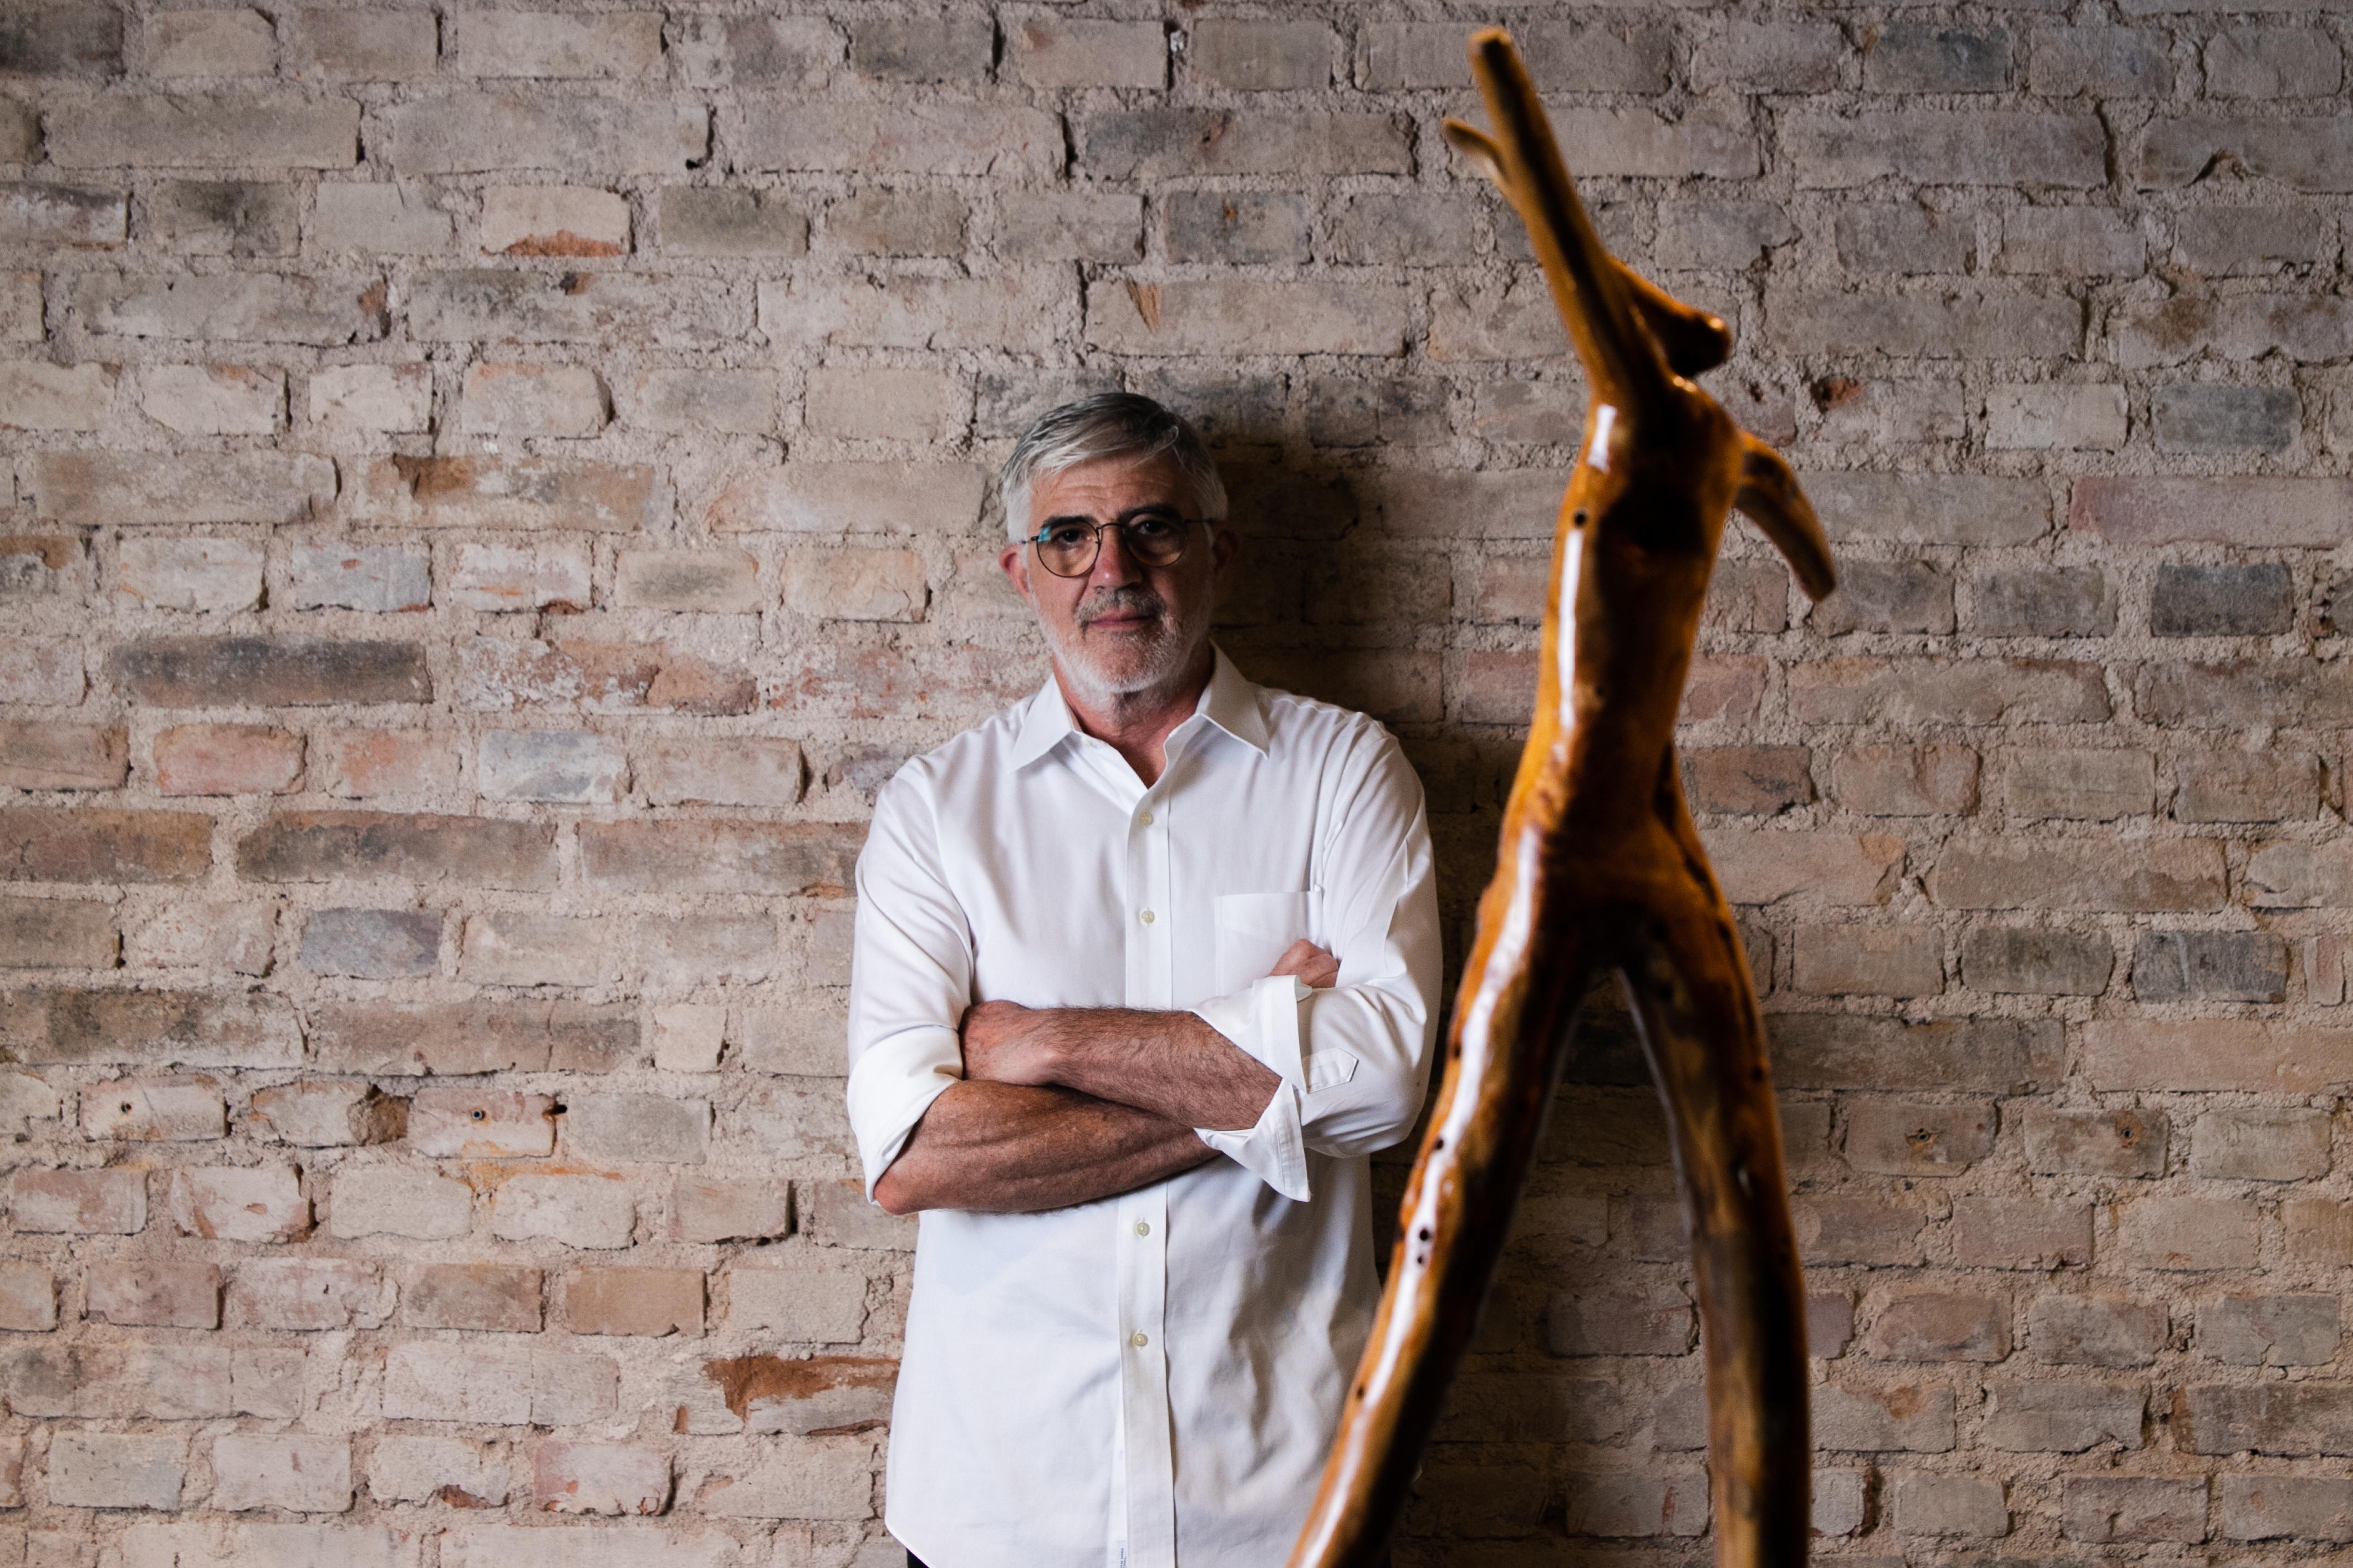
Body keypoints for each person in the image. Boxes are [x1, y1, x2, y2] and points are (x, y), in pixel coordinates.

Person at [845, 392, 1442, 1568]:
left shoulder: (1344, 771)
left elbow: (1381, 1087)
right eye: (1069, 535)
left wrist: (1050, 1043)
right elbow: (915, 1156)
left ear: (1218, 549)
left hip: (1281, 1503)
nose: (1111, 569)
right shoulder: (937, 811)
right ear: (1021, 570)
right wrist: (1264, 1058)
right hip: (1003, 1506)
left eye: (1151, 527)